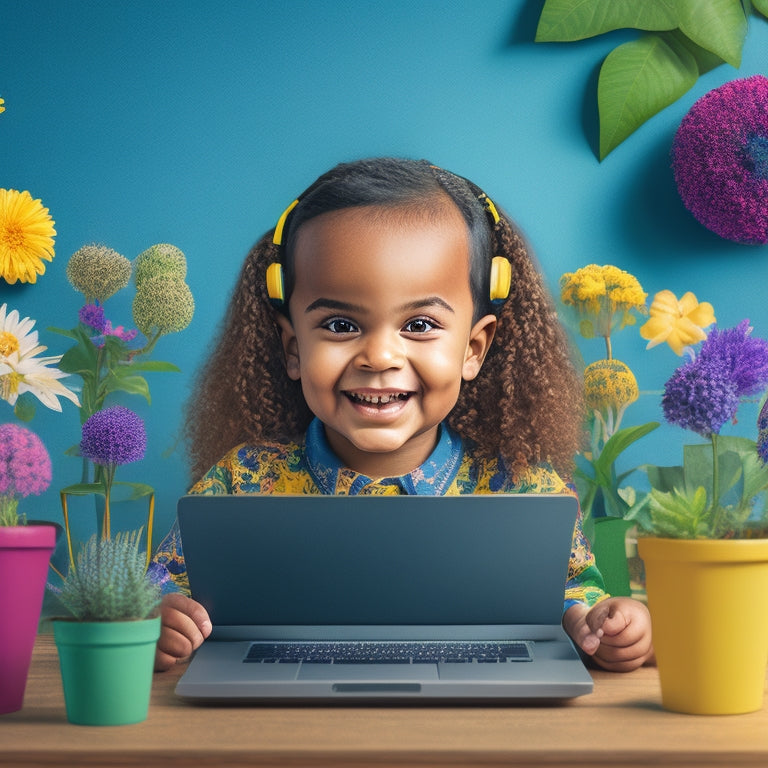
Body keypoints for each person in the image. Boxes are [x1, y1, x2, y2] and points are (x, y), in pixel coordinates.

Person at [152, 157, 653, 674]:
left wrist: (606, 624)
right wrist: (158, 619)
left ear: (473, 349)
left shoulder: (522, 487)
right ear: (292, 347)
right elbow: (158, 590)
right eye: (341, 324)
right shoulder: (243, 481)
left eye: (418, 323)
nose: (379, 356)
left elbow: (577, 595)